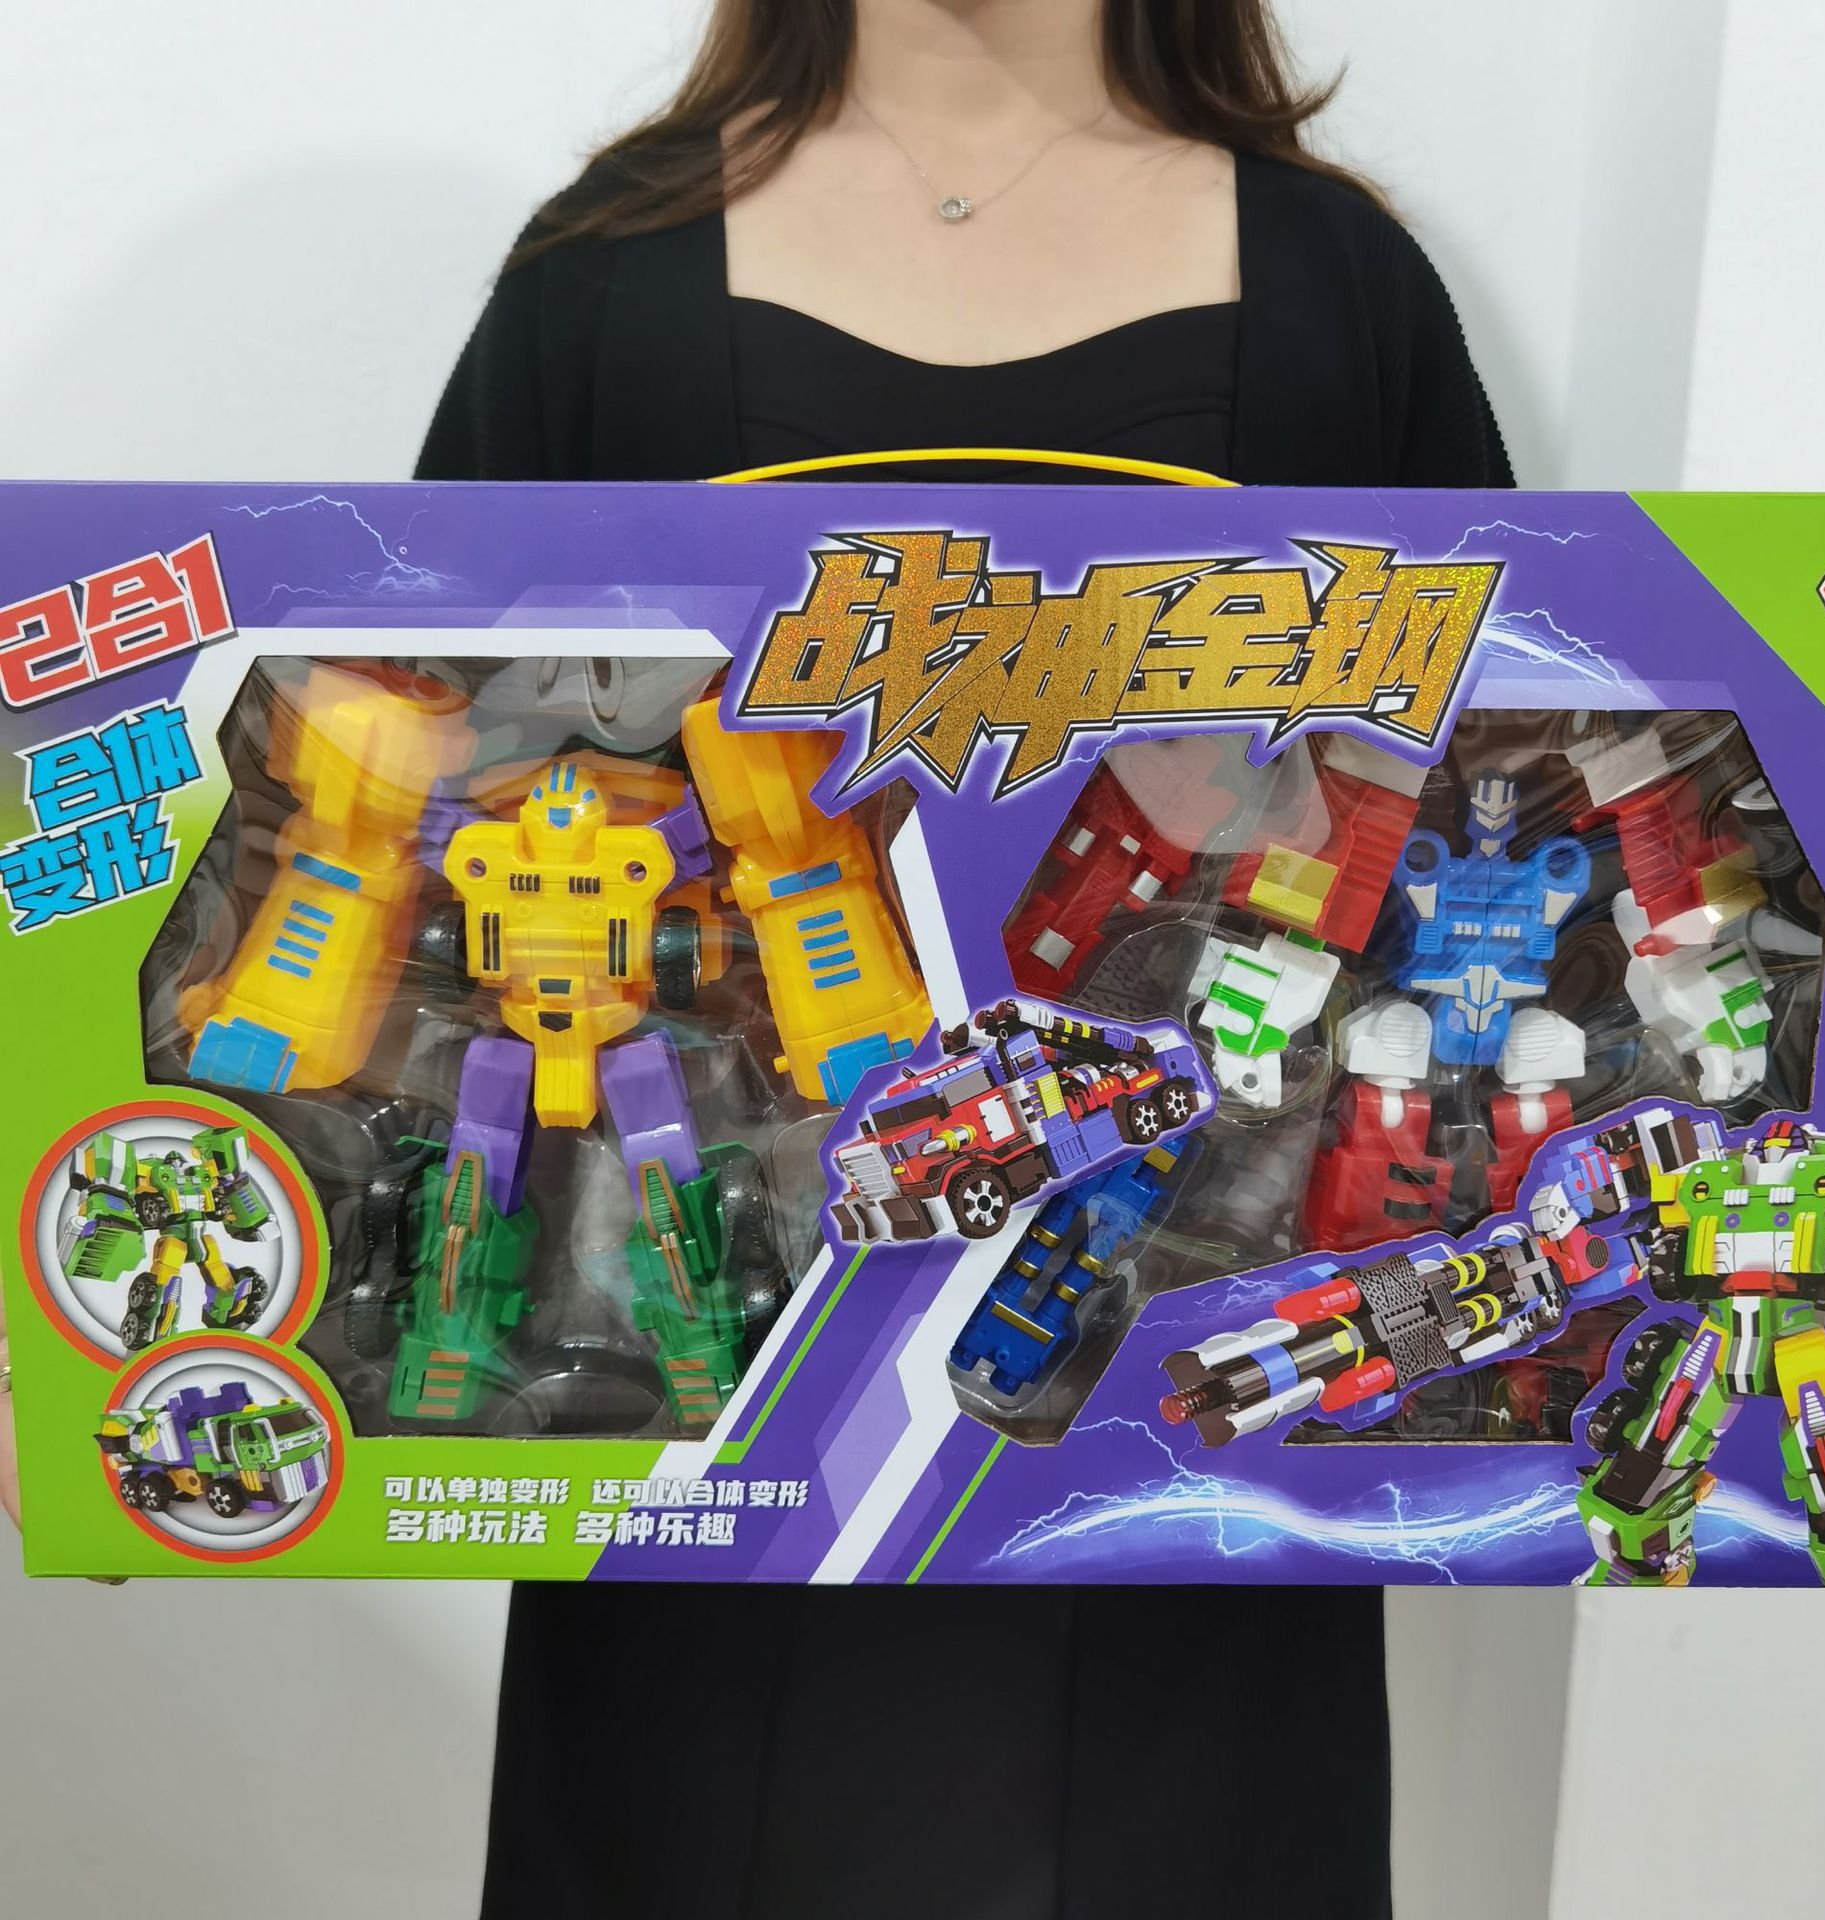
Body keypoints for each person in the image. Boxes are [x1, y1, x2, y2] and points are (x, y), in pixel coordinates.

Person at [3, 3, 1510, 1914]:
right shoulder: (605, 287)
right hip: (705, 1454)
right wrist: (145, 1345)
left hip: (1166, 1494)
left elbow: (1492, 765)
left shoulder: (1335, 292)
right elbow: (364, 766)